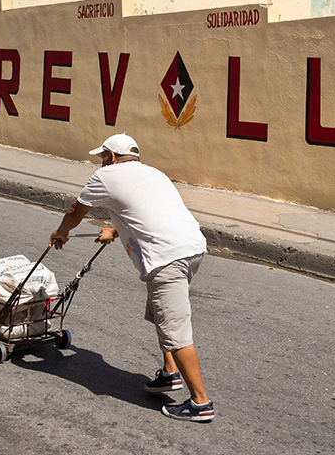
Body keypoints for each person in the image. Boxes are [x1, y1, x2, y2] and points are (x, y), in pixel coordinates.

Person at [49, 133, 215, 422]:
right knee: (160, 312)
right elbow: (146, 212)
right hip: (192, 249)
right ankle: (169, 373)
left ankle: (200, 403)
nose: (101, 162)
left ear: (111, 157)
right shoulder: (154, 174)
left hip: (167, 259)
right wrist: (113, 230)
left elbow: (76, 210)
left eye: (102, 157)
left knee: (175, 330)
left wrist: (62, 231)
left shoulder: (105, 175)